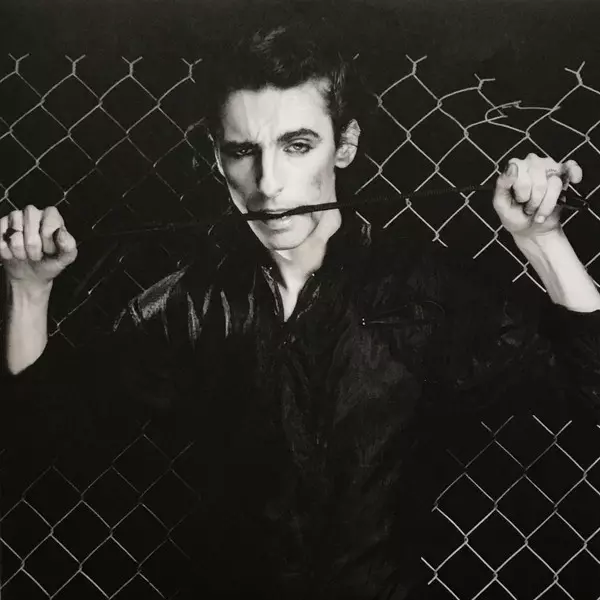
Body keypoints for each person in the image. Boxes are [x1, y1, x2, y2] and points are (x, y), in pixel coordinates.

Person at [2, 21, 600, 600]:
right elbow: (43, 439)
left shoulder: (423, 288)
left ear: (345, 145)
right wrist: (29, 291)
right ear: (217, 157)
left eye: (297, 146)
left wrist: (543, 239)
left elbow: (589, 385)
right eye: (243, 151)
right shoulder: (185, 304)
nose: (268, 184)